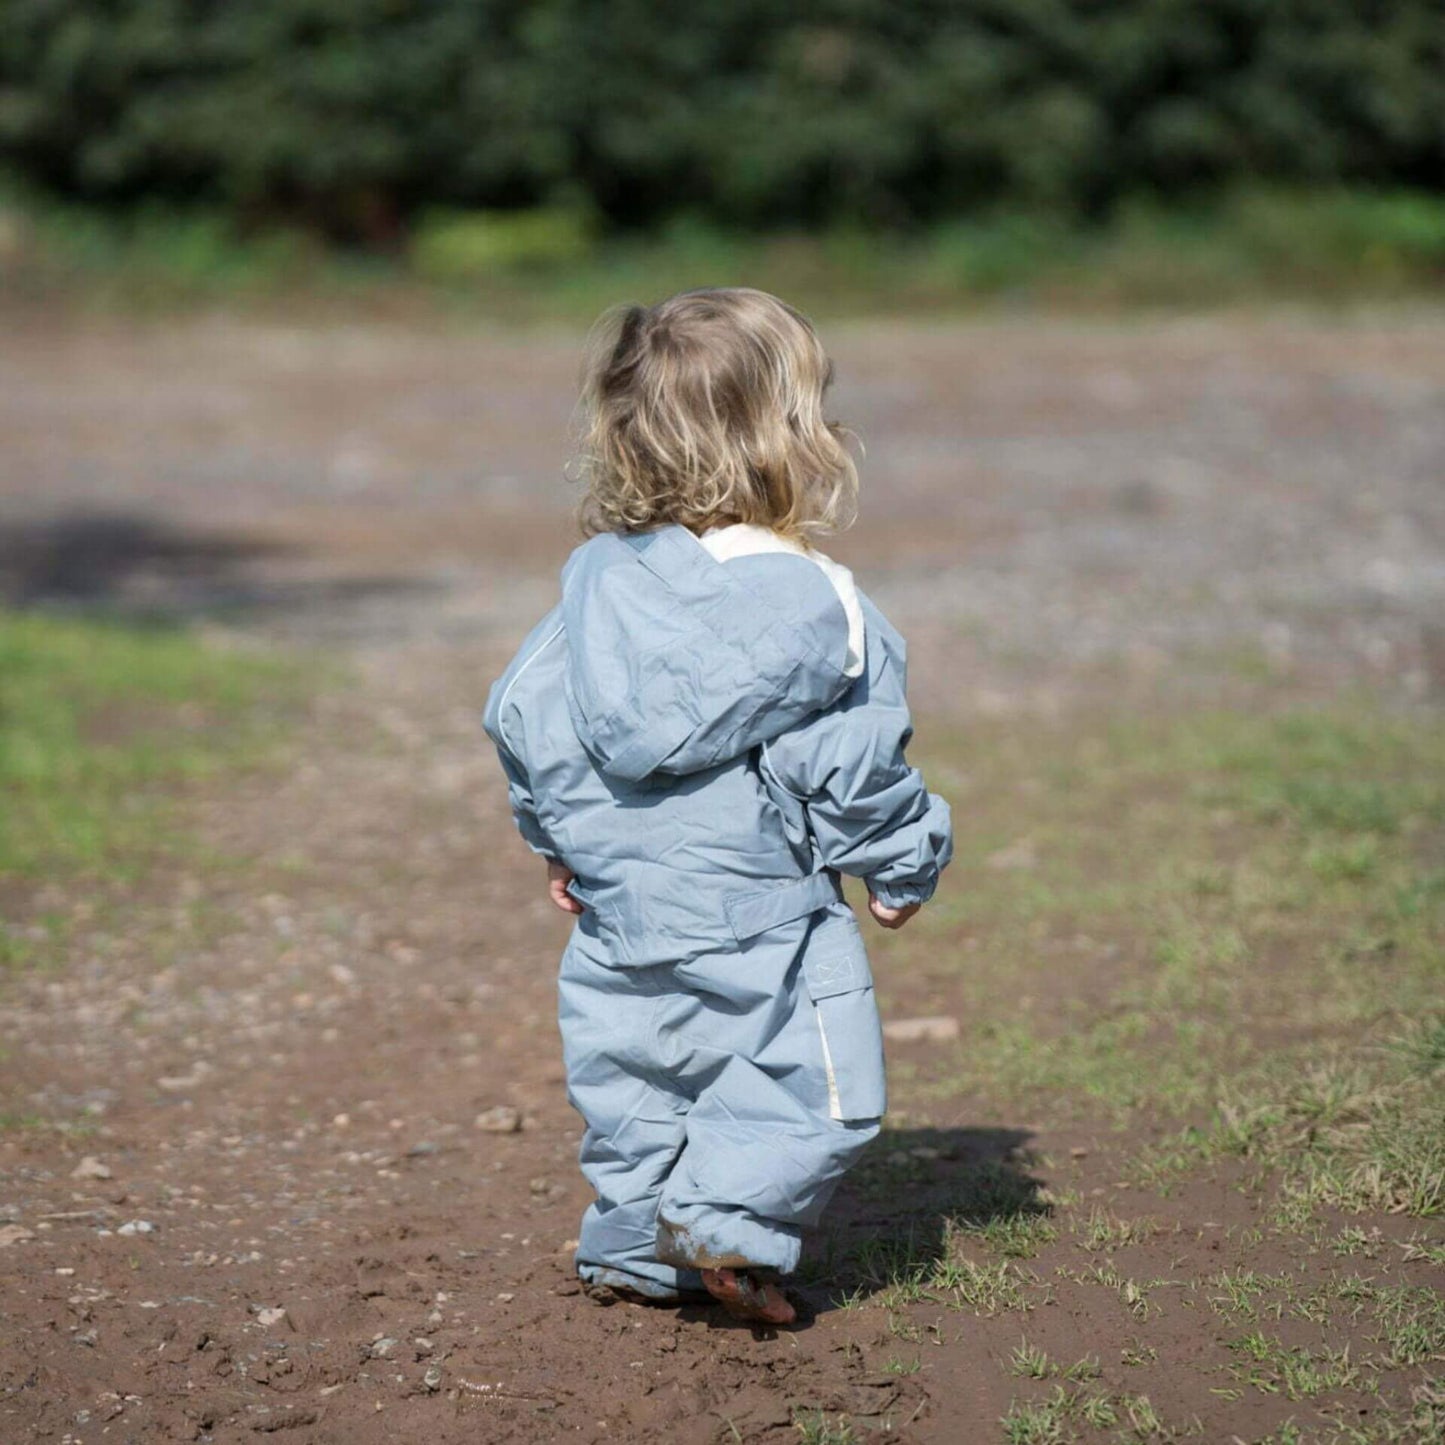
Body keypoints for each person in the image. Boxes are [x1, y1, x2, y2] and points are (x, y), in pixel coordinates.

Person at [483, 288, 952, 1324]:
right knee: (819, 1090)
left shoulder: (594, 582)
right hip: (763, 922)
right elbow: (850, 765)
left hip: (621, 921)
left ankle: (626, 1244)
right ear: (796, 434)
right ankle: (723, 1224)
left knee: (638, 1090)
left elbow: (522, 713)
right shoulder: (819, 603)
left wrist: (554, 840)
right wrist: (906, 859)